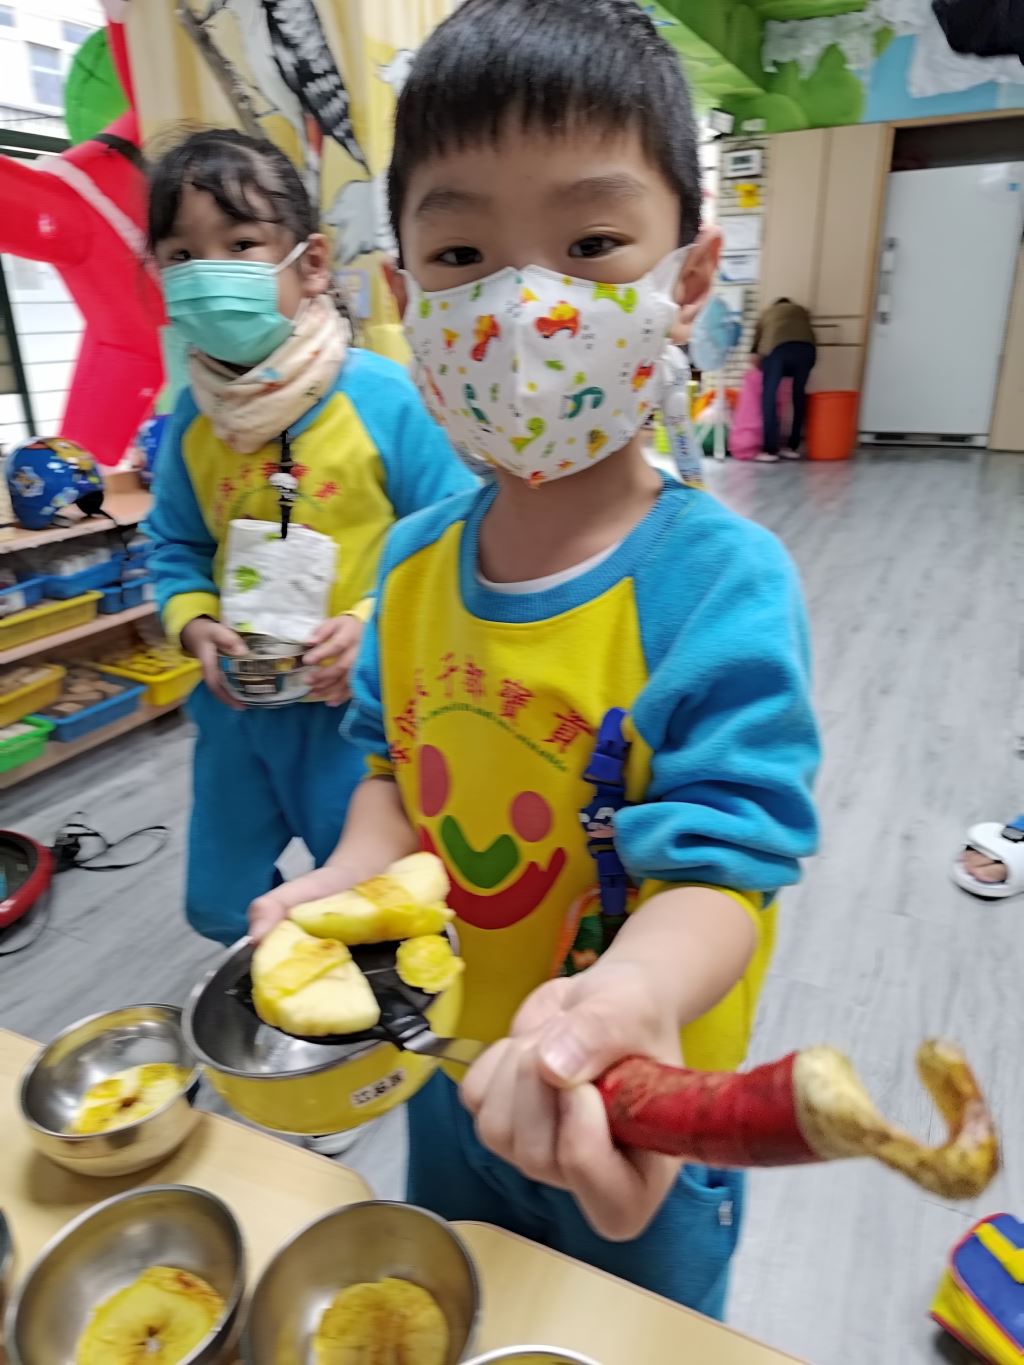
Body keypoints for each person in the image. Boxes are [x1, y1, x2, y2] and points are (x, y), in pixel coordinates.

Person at [250, 0, 820, 1318]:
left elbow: (723, 869)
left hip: (637, 1103)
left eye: (590, 244)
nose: (523, 308)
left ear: (686, 278)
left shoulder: (719, 588)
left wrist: (625, 1001)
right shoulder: (410, 570)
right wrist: (346, 878)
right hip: (452, 1074)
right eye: (462, 252)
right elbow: (392, 774)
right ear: (405, 299)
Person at [145, 129, 473, 947]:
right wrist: (194, 621)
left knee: (364, 900)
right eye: (181, 254)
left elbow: (454, 541)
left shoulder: (384, 400)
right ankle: (278, 974)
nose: (208, 272)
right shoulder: (191, 421)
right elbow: (175, 545)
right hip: (239, 713)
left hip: (353, 718)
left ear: (313, 262)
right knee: (219, 903)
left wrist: (369, 623)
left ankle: (352, 997)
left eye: (240, 245)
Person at [751, 297, 817, 461]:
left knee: (769, 395)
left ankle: (770, 450)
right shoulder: (801, 311)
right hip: (807, 350)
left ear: (776, 305)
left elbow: (756, 345)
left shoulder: (767, 312)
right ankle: (792, 447)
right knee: (798, 395)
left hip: (778, 348)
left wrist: (758, 359)